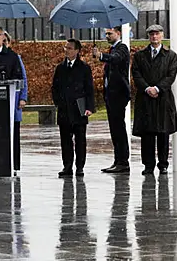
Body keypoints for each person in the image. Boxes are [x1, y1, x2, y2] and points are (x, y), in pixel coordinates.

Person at [132, 24, 177, 175]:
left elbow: (171, 76)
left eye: (157, 34)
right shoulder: (140, 56)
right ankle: (148, 165)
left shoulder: (171, 56)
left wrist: (157, 88)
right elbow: (136, 75)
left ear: (162, 35)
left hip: (163, 99)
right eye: (151, 34)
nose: (154, 37)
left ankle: (163, 164)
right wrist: (147, 89)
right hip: (145, 99)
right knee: (147, 134)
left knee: (163, 133)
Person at [51, 39, 95, 178]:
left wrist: (89, 107)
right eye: (66, 47)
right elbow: (55, 87)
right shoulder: (60, 68)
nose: (67, 50)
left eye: (70, 48)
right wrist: (58, 102)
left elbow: (89, 89)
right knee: (65, 140)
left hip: (79, 109)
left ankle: (80, 166)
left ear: (77, 51)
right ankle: (67, 166)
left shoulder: (84, 68)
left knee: (80, 140)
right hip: (64, 109)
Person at [92, 26, 131, 173]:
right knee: (115, 130)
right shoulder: (113, 49)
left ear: (118, 33)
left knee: (119, 129)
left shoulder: (122, 48)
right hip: (111, 95)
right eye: (106, 33)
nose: (107, 36)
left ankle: (123, 161)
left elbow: (116, 59)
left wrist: (101, 56)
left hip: (118, 95)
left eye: (110, 33)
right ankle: (118, 159)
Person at [4, 32, 28, 172]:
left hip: (14, 102)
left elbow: (23, 79)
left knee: (14, 135)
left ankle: (15, 164)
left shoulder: (16, 58)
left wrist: (23, 98)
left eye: (6, 41)